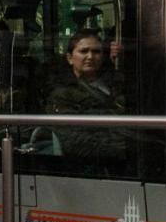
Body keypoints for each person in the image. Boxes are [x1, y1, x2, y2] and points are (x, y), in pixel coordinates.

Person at [45, 32, 125, 165]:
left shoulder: (114, 83)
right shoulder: (62, 95)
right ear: (70, 58)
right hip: (99, 164)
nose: (90, 56)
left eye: (96, 52)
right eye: (83, 51)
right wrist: (124, 148)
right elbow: (75, 142)